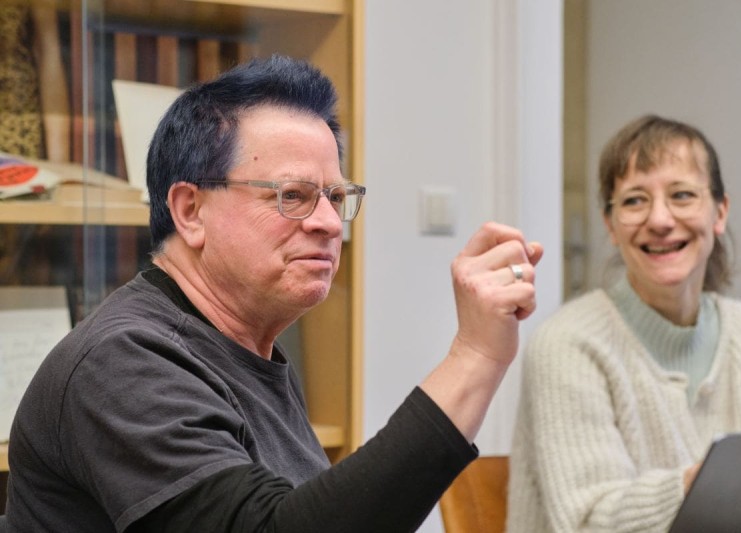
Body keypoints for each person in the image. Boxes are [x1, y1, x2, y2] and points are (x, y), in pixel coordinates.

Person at [5, 55, 544, 532]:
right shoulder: (122, 361)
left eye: (335, 197)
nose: (330, 224)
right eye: (293, 196)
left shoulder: (246, 347)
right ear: (190, 210)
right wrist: (474, 356)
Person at [507, 114, 741, 532]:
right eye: (634, 200)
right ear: (610, 225)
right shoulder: (567, 345)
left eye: (682, 195)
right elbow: (588, 523)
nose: (660, 220)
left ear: (720, 212)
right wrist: (702, 484)